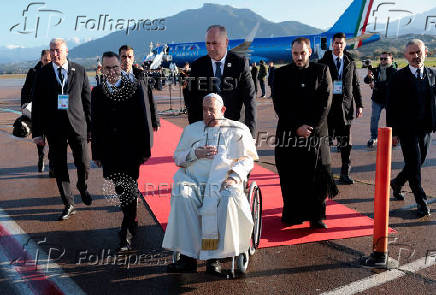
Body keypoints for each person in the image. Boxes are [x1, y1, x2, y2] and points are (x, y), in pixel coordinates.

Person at [163, 93, 258, 274]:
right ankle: (188, 257)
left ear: (222, 110)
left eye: (212, 110)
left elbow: (247, 160)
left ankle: (214, 258)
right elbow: (178, 159)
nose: (207, 114)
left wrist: (234, 177)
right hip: (194, 183)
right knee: (182, 196)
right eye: (205, 110)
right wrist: (194, 153)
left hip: (223, 183)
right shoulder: (192, 130)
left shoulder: (238, 130)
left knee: (227, 198)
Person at [91, 51, 154, 251]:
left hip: (131, 150)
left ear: (121, 68)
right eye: (108, 68)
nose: (112, 71)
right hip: (109, 151)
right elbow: (96, 126)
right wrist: (96, 154)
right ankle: (132, 218)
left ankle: (125, 231)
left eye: (115, 67)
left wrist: (145, 149)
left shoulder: (134, 88)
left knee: (130, 186)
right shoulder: (97, 93)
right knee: (121, 189)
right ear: (103, 69)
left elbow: (143, 121)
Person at [273, 37, 337, 228]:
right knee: (291, 174)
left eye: (302, 53)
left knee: (317, 174)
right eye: (295, 53)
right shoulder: (281, 73)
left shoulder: (321, 70)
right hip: (289, 132)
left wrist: (311, 127)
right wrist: (296, 127)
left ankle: (316, 216)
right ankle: (293, 214)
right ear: (291, 53)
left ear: (309, 52)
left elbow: (326, 102)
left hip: (316, 133)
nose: (299, 57)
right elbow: (279, 105)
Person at [32, 38, 92, 220]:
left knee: (83, 162)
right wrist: (37, 133)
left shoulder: (80, 70)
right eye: (51, 50)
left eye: (57, 50)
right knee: (59, 167)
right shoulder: (42, 74)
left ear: (66, 52)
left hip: (78, 125)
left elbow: (87, 100)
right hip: (54, 128)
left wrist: (91, 127)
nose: (54, 54)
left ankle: (82, 185)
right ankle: (68, 203)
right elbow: (38, 105)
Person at [387, 39, 436, 217]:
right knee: (414, 164)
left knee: (418, 162)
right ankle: (420, 200)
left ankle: (397, 182)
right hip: (407, 129)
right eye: (412, 53)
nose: (416, 56)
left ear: (425, 52)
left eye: (419, 52)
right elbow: (391, 106)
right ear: (406, 56)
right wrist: (392, 132)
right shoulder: (398, 77)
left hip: (426, 128)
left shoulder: (432, 74)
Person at [184, 25, 256, 136]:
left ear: (226, 42)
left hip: (234, 127)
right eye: (208, 43)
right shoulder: (198, 65)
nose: (211, 48)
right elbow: (192, 101)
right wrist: (195, 130)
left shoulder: (240, 63)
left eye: (215, 43)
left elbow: (250, 99)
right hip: (207, 129)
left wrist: (251, 134)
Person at [319, 32, 363, 185]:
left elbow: (356, 84)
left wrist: (360, 105)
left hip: (345, 109)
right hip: (328, 109)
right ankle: (325, 173)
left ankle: (345, 173)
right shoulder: (322, 62)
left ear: (345, 45)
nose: (339, 46)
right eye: (336, 43)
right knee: (325, 143)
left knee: (346, 144)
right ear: (332, 44)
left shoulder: (350, 61)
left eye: (341, 43)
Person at [21, 49, 54, 176]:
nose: (47, 62)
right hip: (37, 110)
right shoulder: (33, 72)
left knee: (52, 138)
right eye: (45, 60)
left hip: (52, 111)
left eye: (50, 60)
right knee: (39, 137)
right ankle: (41, 156)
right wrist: (24, 105)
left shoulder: (55, 71)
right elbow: (25, 89)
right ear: (41, 59)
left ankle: (52, 164)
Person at [119, 45, 160, 131]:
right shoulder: (113, 77)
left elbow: (150, 97)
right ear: (119, 58)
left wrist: (155, 120)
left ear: (133, 58)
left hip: (141, 122)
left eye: (129, 56)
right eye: (124, 57)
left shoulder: (142, 75)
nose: (127, 60)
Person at [363, 52, 397, 148]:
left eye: (385, 59)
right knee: (374, 119)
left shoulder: (394, 71)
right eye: (381, 59)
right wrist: (369, 76)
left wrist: (376, 84)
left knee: (391, 120)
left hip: (389, 100)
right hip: (377, 99)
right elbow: (366, 81)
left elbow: (389, 84)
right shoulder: (376, 70)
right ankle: (373, 137)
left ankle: (392, 137)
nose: (382, 61)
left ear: (391, 59)